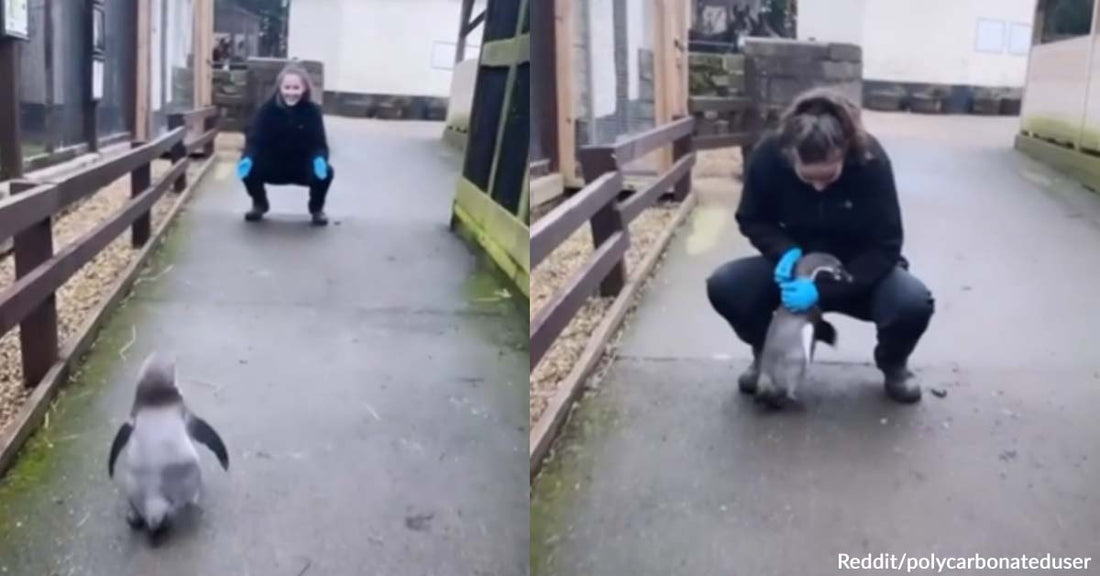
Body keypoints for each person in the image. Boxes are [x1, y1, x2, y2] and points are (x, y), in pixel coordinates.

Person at [706, 87, 934, 403]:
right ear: (791, 155)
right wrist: (783, 250)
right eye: (808, 178)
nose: (819, 186)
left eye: (829, 176)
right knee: (726, 285)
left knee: (911, 302)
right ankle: (766, 353)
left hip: (857, 272)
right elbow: (752, 217)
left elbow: (887, 245)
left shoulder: (871, 161)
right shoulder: (769, 156)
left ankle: (893, 363)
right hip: (796, 274)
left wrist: (823, 291)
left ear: (844, 151)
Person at [237, 63, 333, 225]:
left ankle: (317, 209)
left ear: (304, 89)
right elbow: (255, 141)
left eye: (296, 88)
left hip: (301, 167)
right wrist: (248, 158)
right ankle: (259, 203)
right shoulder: (267, 111)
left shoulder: (312, 112)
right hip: (273, 166)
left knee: (327, 173)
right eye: (287, 87)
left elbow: (319, 143)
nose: (291, 92)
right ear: (280, 88)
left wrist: (319, 159)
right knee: (247, 169)